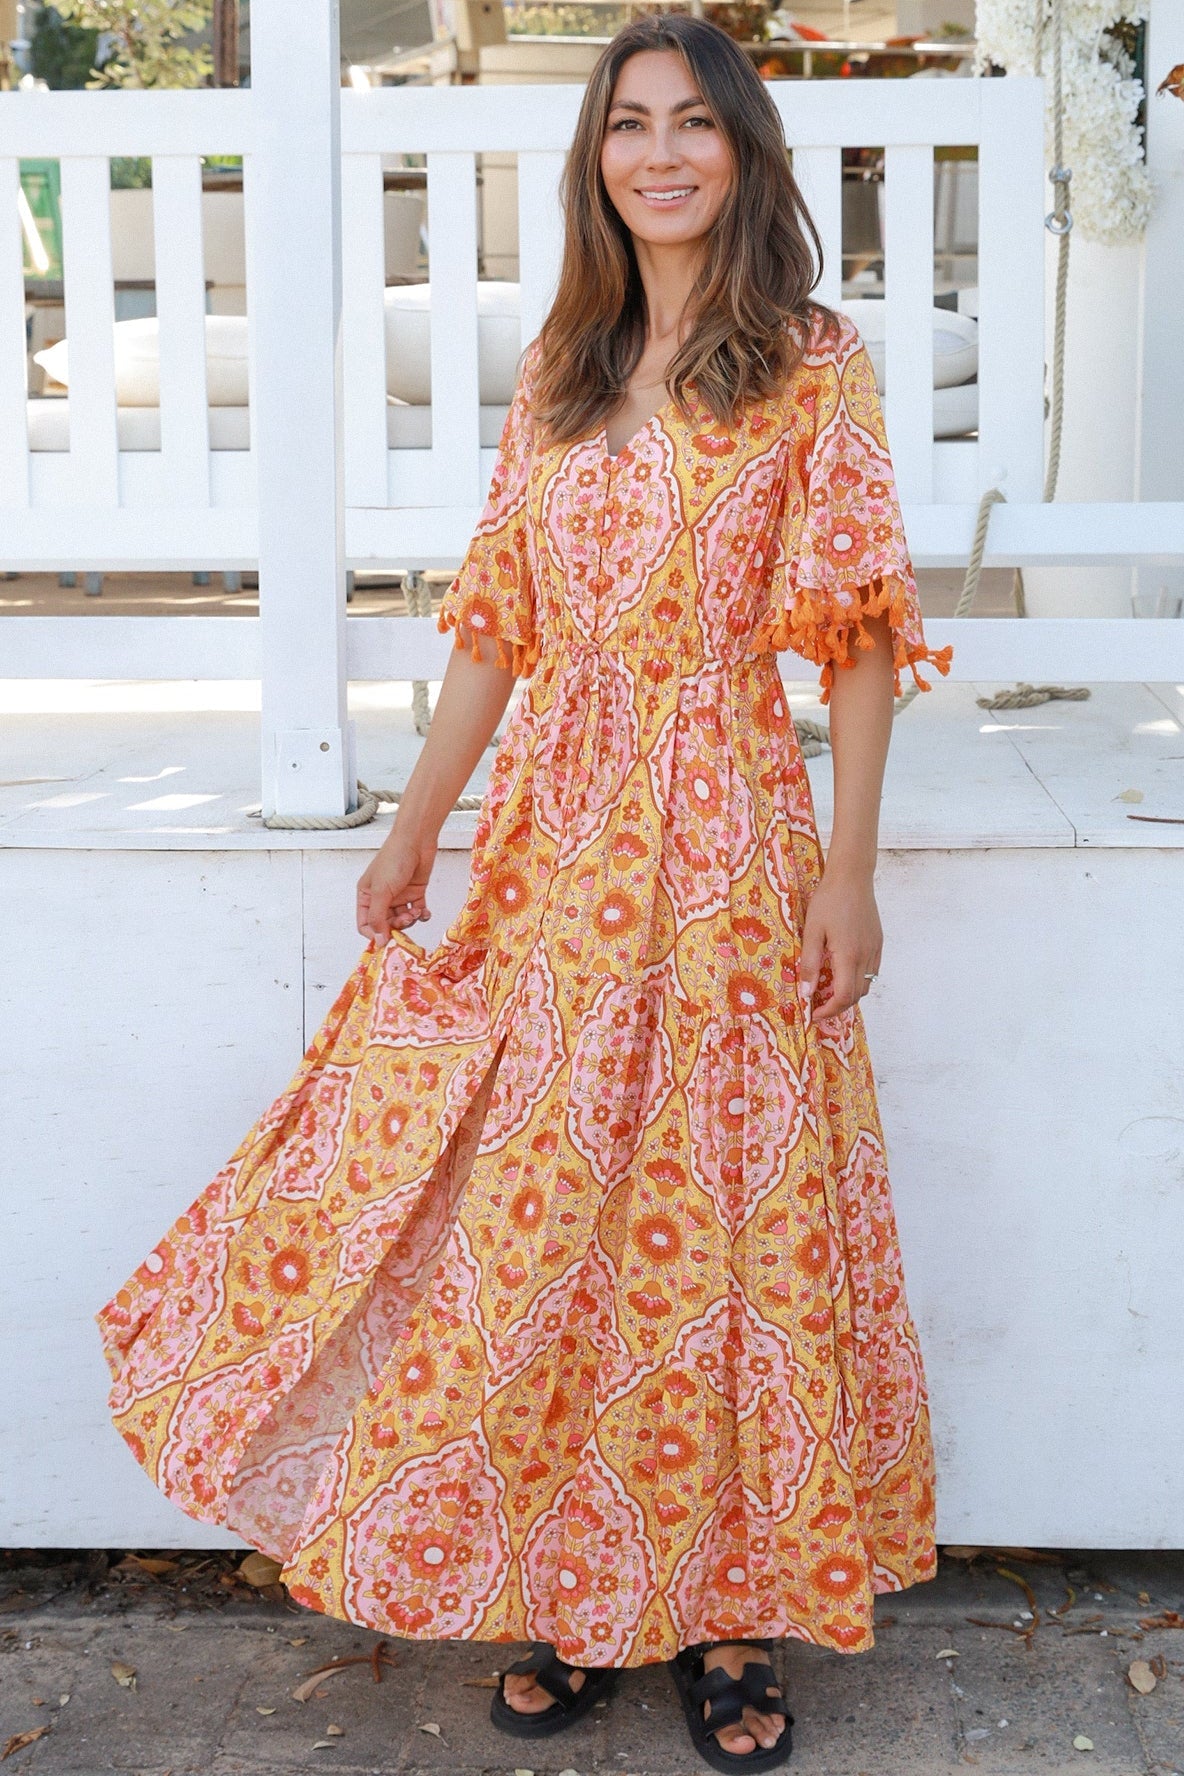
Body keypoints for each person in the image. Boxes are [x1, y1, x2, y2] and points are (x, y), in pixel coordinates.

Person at [96, 13, 950, 1771]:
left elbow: (859, 639)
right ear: (596, 159)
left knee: (719, 1226)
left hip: (724, 840)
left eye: (693, 125)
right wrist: (417, 824)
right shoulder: (565, 362)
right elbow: (501, 626)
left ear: (744, 154)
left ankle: (725, 1612)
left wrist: (849, 872)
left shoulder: (813, 364)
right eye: (629, 126)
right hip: (556, 849)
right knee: (548, 1225)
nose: (660, 155)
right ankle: (577, 1579)